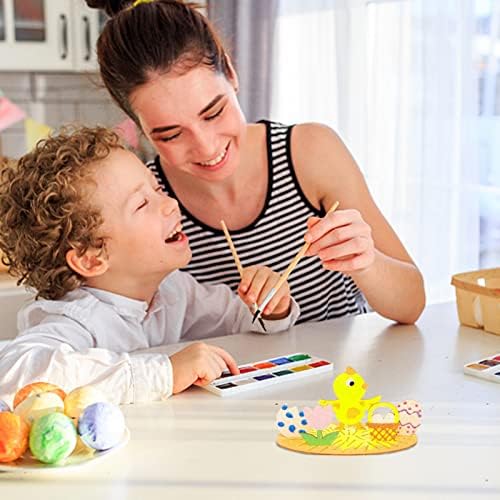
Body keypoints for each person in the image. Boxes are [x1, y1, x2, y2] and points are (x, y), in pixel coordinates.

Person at [86, 0, 425, 324]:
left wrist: (365, 263)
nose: (206, 148)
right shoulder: (146, 204)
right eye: (171, 135)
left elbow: (411, 304)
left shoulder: (310, 152)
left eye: (214, 112)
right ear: (140, 127)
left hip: (343, 381)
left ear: (231, 72)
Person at [0, 127, 298, 406]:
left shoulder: (174, 290)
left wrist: (270, 304)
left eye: (157, 189)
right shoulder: (78, 319)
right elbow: (15, 373)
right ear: (91, 257)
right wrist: (164, 373)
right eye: (142, 204)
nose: (170, 204)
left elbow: (241, 322)